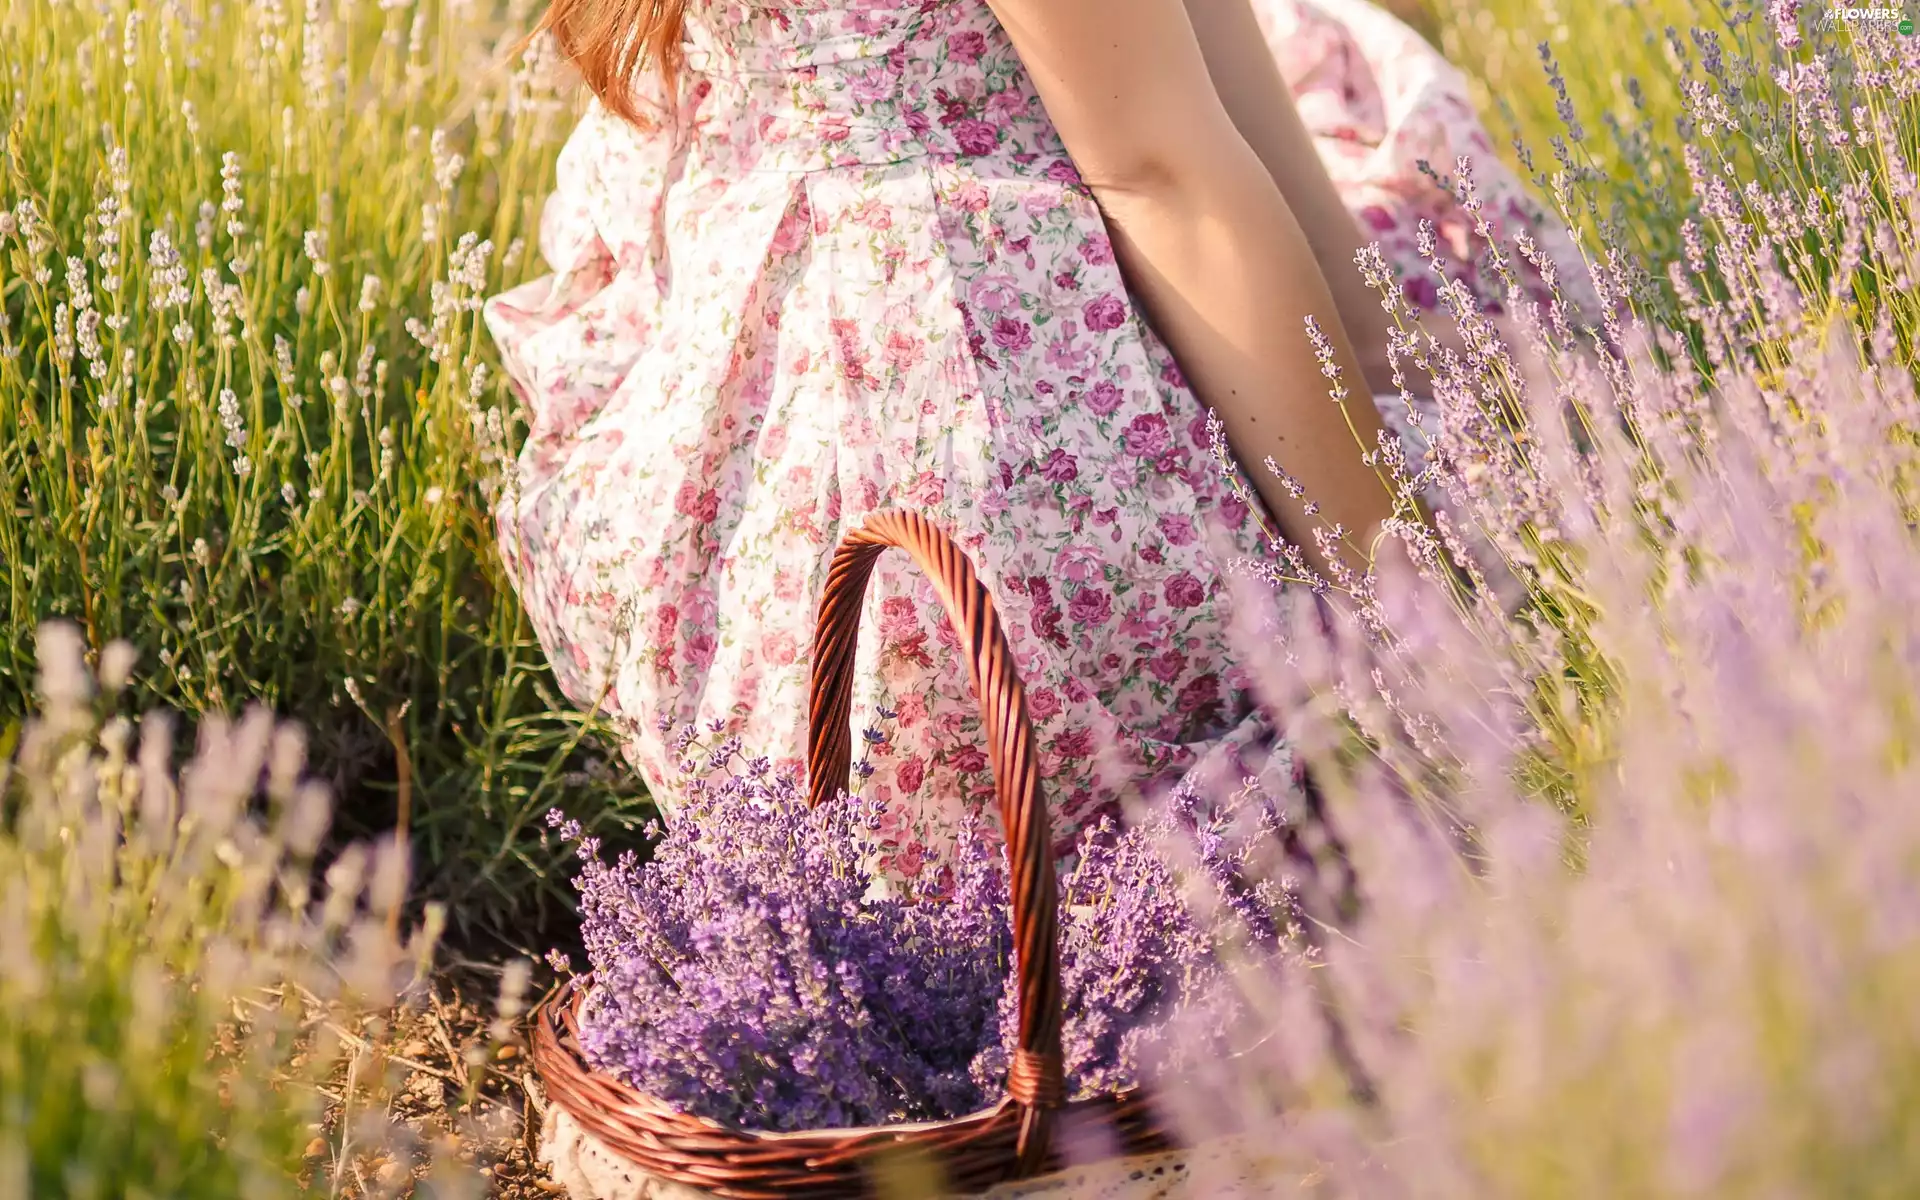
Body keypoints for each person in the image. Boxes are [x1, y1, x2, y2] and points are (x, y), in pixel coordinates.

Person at [485, 0, 1592, 877]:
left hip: (729, 445)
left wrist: (1383, 339)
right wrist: (1422, 630)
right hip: (955, 440)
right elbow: (1161, 171)